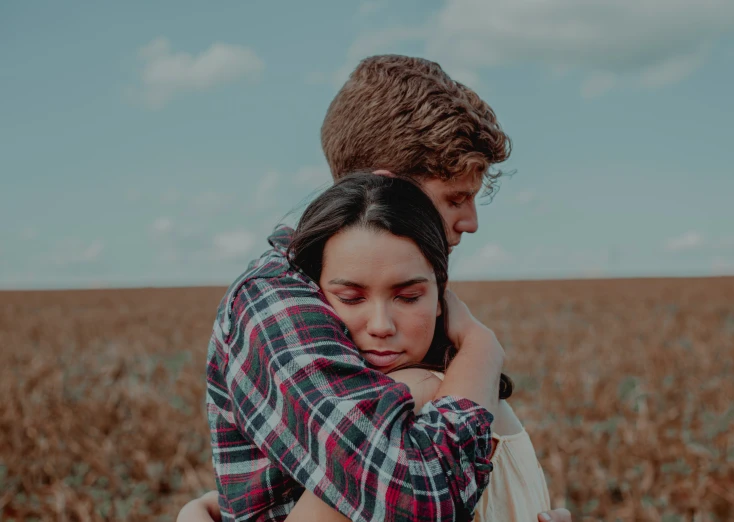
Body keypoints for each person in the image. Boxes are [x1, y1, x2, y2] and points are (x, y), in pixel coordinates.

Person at [185, 55, 572, 522]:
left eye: (407, 295)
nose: (470, 222)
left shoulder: (381, 302)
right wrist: (481, 352)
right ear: (383, 188)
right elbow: (416, 498)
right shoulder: (276, 303)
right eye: (455, 197)